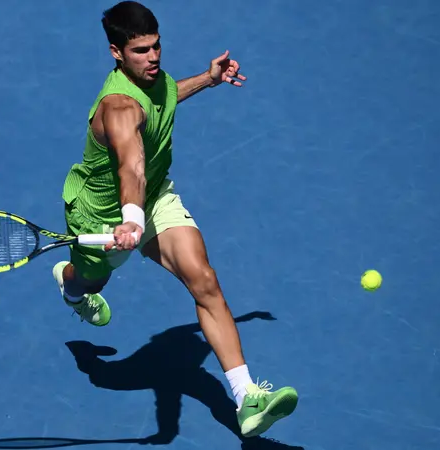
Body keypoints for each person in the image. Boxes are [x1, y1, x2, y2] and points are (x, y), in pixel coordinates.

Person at [52, 0, 298, 439]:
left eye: (157, 47)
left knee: (203, 279)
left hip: (155, 200)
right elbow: (131, 168)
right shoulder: (119, 109)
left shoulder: (152, 80)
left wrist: (208, 79)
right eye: (141, 51)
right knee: (88, 282)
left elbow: (164, 94)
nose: (154, 58)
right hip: (102, 215)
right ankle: (71, 287)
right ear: (116, 52)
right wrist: (129, 220)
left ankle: (247, 398)